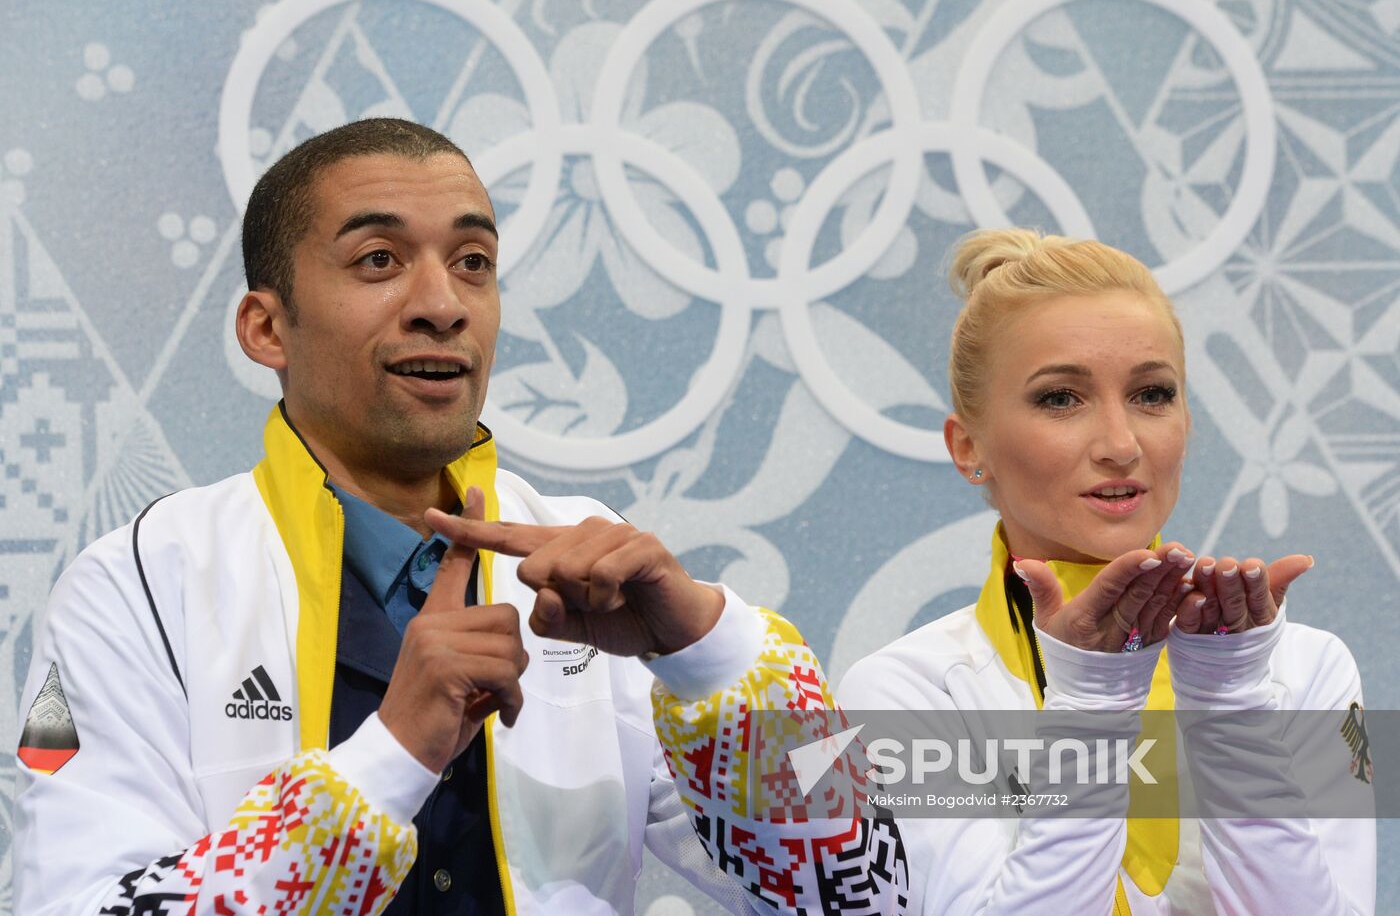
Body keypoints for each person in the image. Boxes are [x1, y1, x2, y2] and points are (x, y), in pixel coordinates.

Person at [13, 119, 905, 916]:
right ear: (266, 329)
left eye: (473, 263)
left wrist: (709, 656)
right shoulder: (138, 585)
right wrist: (394, 756)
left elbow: (864, 897)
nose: (444, 305)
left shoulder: (590, 563)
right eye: (379, 261)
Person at [839, 228, 1375, 915]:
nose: (1121, 445)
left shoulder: (1305, 669)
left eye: (1152, 394)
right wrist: (1092, 705)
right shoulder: (908, 692)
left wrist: (1231, 706)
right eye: (1060, 398)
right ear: (968, 446)